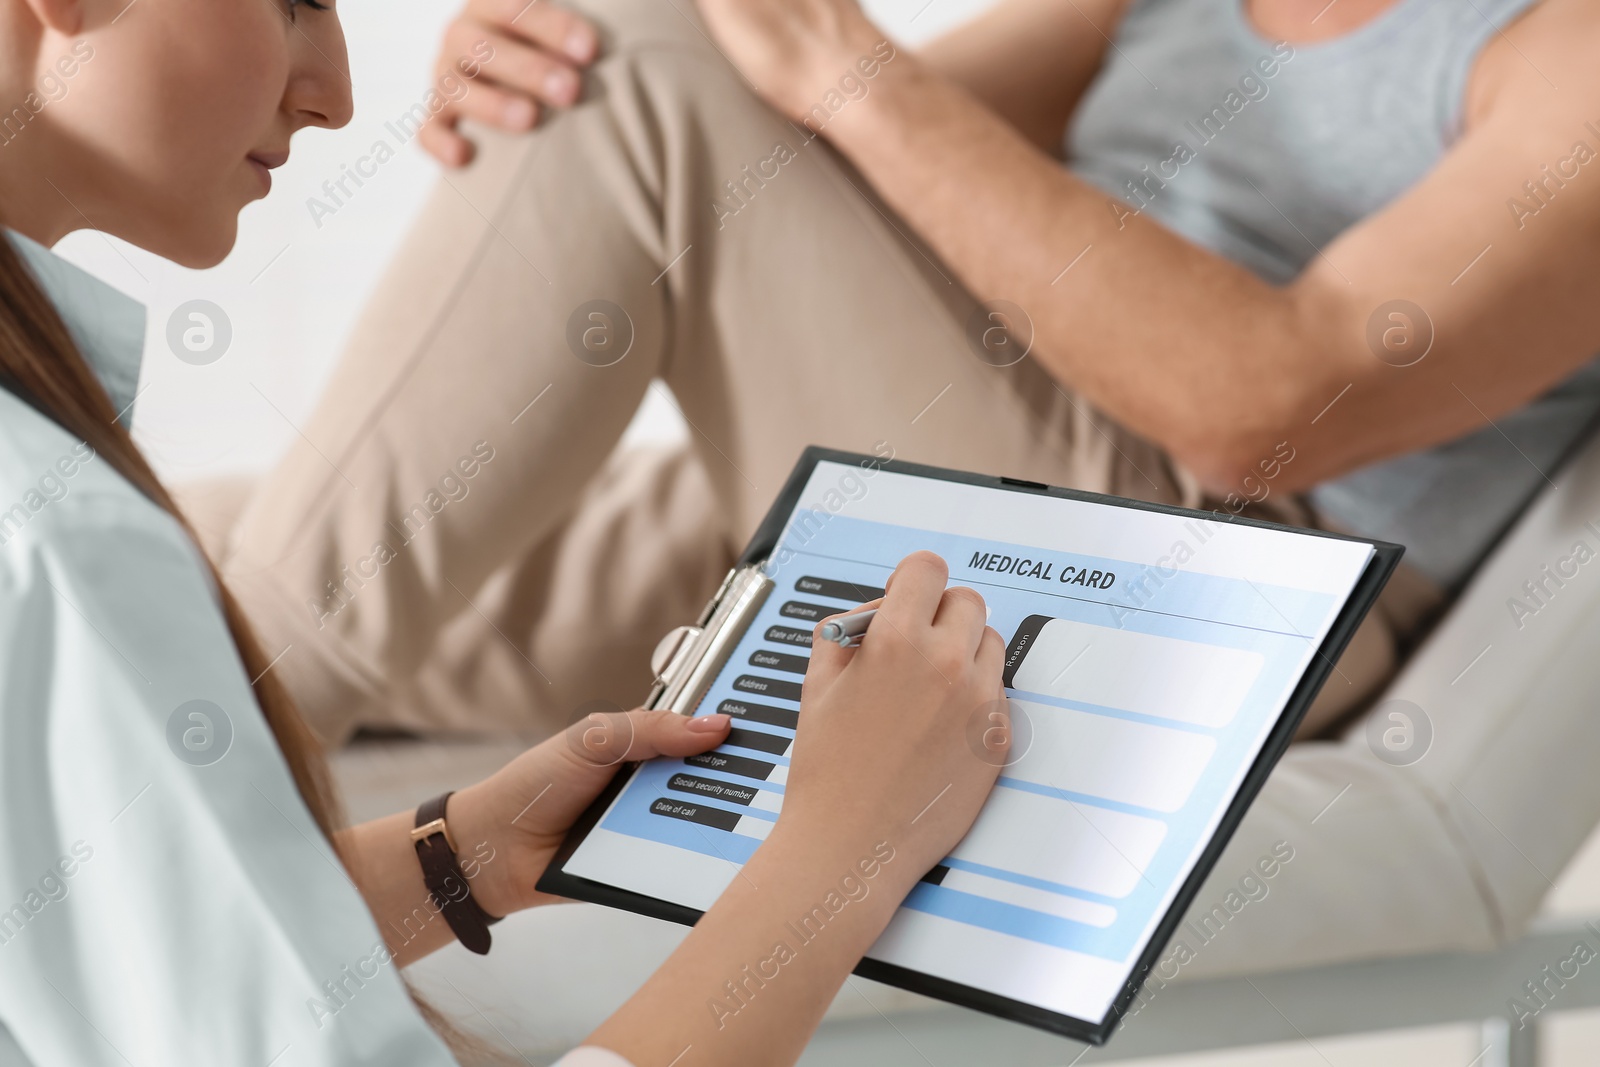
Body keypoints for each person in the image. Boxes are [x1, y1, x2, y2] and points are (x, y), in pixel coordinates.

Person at [210, 0, 1600, 980]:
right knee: (178, 552)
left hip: (1209, 566)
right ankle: (196, 710)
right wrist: (539, 73)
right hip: (938, 500)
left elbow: (1271, 410)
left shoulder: (1562, 49)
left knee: (633, 51)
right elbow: (767, 162)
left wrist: (746, 54)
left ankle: (177, 808)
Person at [0, 0, 1009, 1063]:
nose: (339, 99)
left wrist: (459, 855)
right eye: (294, 0)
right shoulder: (67, 547)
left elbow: (98, 933)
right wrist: (843, 853)